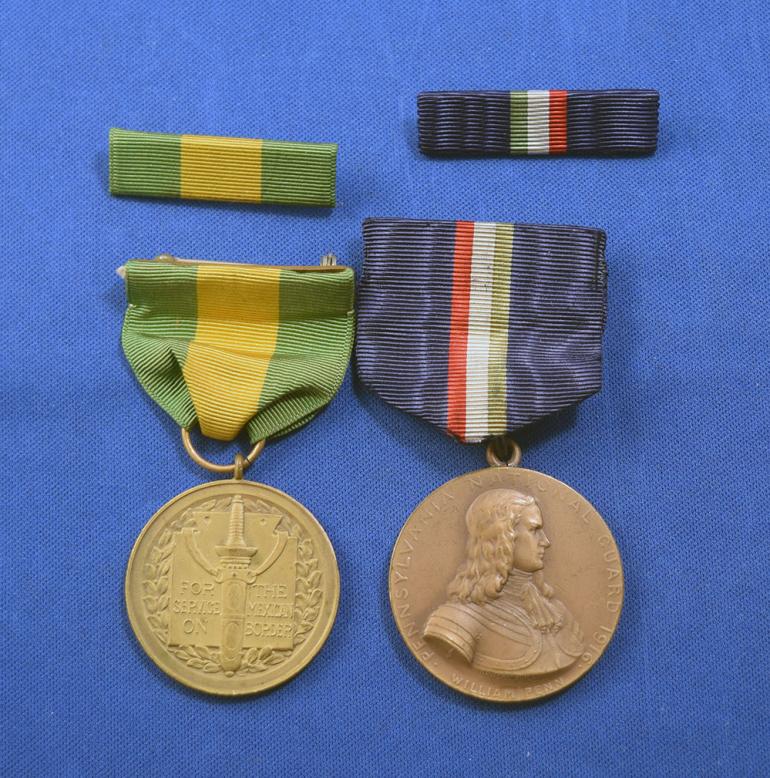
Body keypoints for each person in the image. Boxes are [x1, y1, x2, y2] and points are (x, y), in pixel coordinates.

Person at [423, 488, 584, 676]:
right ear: (503, 538)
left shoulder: (558, 613)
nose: (545, 541)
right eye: (534, 530)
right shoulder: (455, 621)